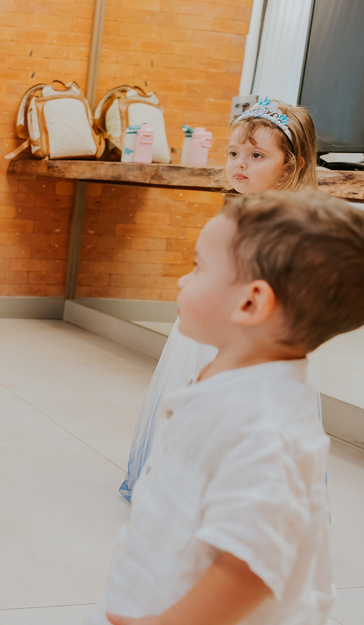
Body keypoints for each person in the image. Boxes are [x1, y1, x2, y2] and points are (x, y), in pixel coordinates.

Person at [83, 190, 364, 625]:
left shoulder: (267, 431)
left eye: (197, 266)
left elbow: (250, 566)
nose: (183, 278)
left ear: (251, 302)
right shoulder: (230, 374)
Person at [120, 98, 320, 502]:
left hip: (247, 338)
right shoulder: (237, 214)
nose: (239, 163)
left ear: (291, 166)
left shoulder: (287, 225)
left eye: (256, 155)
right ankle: (183, 485)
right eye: (233, 153)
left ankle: (228, 495)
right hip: (204, 331)